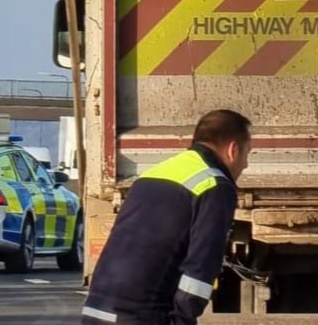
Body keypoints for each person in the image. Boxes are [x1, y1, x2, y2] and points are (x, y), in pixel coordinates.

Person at [81, 109, 253, 325]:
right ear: (233, 150)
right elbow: (201, 267)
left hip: (98, 307)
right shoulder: (215, 186)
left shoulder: (155, 173)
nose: (245, 164)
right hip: (143, 315)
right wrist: (182, 318)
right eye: (247, 153)